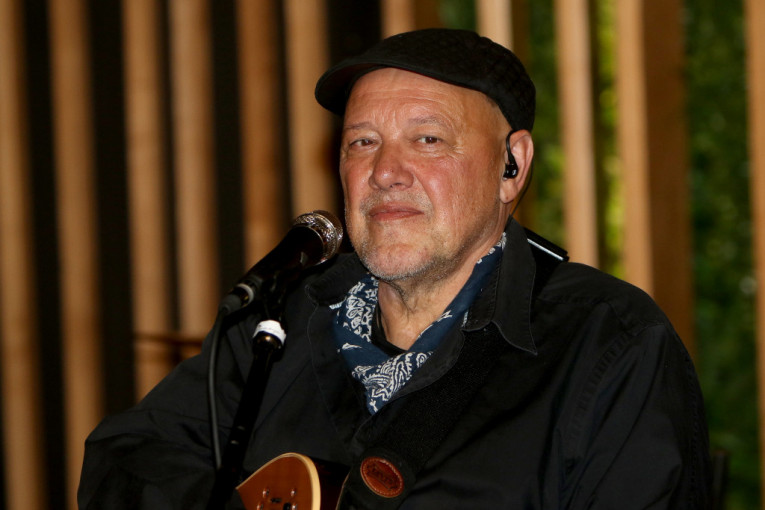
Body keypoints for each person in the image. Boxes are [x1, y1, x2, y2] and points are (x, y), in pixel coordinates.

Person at [79, 28, 710, 509]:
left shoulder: (612, 343)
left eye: (427, 139)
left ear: (511, 166)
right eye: (362, 142)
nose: (385, 172)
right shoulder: (284, 319)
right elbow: (120, 460)